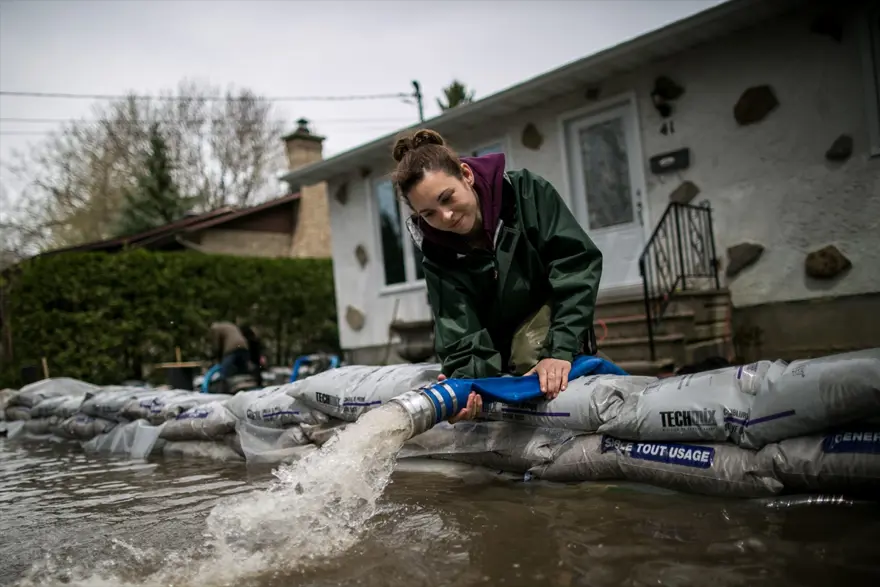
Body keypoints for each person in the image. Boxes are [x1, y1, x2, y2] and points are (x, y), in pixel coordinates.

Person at [391, 129, 604, 423]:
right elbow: (458, 325)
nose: (446, 217)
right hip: (496, 338)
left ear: (466, 174)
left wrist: (561, 350)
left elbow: (575, 264)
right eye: (429, 214)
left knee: (531, 356)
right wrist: (467, 385)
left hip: (547, 317)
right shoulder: (437, 252)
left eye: (447, 198)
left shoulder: (526, 194)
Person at [208, 321, 250, 392]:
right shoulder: (229, 325)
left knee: (224, 372)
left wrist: (217, 358)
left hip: (232, 348)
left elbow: (217, 345)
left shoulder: (215, 328)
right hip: (244, 346)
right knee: (242, 371)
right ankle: (246, 389)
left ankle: (221, 391)